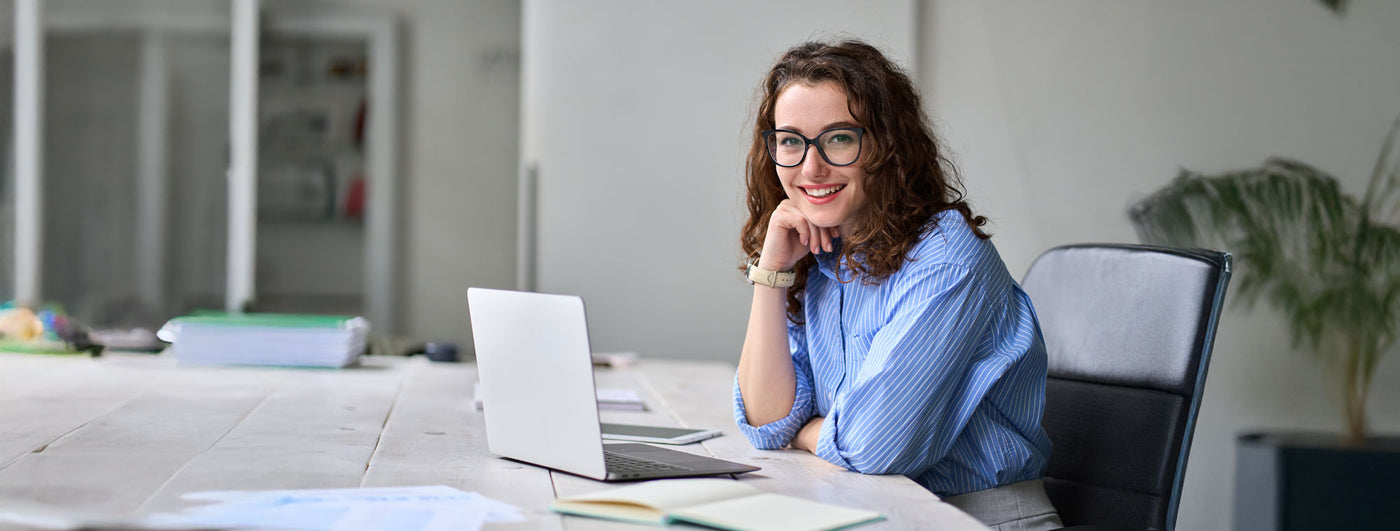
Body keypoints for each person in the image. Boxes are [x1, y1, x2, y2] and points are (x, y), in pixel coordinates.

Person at [733, 39, 1062, 530]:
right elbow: (767, 420)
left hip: (978, 520)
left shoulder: (947, 258)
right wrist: (772, 274)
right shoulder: (824, 253)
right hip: (870, 511)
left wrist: (804, 432)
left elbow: (876, 446)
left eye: (839, 138)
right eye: (790, 141)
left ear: (887, 145)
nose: (810, 167)